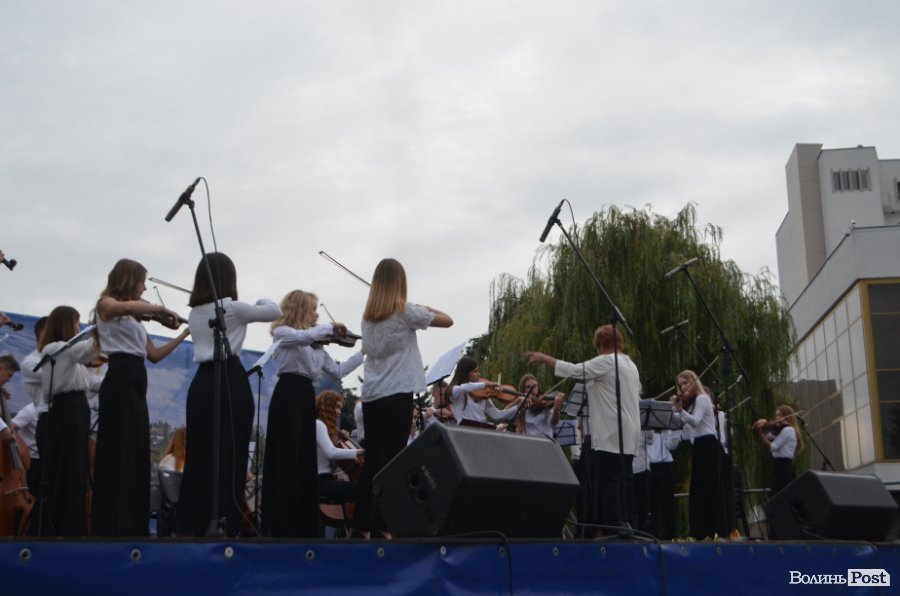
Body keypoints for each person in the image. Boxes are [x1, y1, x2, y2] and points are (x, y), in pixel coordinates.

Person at [173, 252, 281, 537]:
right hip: (229, 378)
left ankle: (195, 521)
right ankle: (226, 518)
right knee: (231, 452)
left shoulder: (195, 312)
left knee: (201, 453)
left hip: (202, 384)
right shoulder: (232, 308)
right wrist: (259, 300)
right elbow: (274, 311)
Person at [351, 258, 452, 538]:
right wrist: (423, 307)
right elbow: (448, 320)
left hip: (372, 396)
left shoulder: (367, 319)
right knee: (391, 463)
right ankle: (383, 527)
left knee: (373, 462)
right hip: (396, 394)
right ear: (400, 283)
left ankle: (361, 527)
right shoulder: (406, 312)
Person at [91, 258, 190, 536]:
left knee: (135, 451)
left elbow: (154, 355)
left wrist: (184, 333)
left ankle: (133, 523)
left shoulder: (136, 320)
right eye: (142, 281)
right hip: (120, 378)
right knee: (118, 451)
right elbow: (122, 307)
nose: (145, 287)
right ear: (129, 279)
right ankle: (112, 524)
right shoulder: (106, 305)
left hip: (137, 380)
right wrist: (159, 309)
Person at [261, 290, 363, 538]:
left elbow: (338, 371)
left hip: (305, 396)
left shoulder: (317, 347)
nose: (317, 314)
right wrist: (330, 327)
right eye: (313, 309)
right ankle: (280, 525)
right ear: (300, 309)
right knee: (286, 457)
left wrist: (363, 353)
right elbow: (302, 336)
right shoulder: (283, 332)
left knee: (303, 460)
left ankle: (302, 526)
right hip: (288, 394)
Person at [527, 324, 641, 535]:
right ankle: (629, 526)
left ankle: (614, 530)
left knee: (608, 484)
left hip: (611, 434)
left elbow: (575, 370)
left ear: (600, 345)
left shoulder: (607, 361)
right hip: (630, 433)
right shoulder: (630, 365)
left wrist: (544, 358)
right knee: (625, 483)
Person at [36, 306, 98, 536]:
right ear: (66, 324)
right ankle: (63, 525)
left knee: (78, 468)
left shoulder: (72, 359)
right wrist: (103, 324)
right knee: (68, 468)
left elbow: (91, 384)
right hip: (66, 412)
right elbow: (89, 349)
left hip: (77, 410)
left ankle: (73, 524)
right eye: (76, 323)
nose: (78, 328)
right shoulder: (56, 349)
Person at [670, 369, 727, 540]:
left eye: (685, 383)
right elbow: (686, 426)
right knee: (698, 489)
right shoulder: (692, 403)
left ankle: (708, 530)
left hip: (708, 444)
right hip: (699, 446)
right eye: (680, 385)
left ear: (693, 382)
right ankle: (698, 531)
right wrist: (674, 410)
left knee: (706, 488)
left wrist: (680, 410)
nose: (683, 388)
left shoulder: (702, 398)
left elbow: (695, 421)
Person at [315, 390, 363, 505]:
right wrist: (357, 451)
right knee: (363, 490)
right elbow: (331, 453)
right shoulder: (319, 424)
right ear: (328, 406)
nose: (339, 412)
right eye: (337, 407)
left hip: (326, 479)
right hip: (321, 482)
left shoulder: (322, 426)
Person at [446, 356, 520, 428]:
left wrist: (518, 407)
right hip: (464, 431)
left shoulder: (483, 394)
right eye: (475, 371)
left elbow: (497, 415)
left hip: (482, 430)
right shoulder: (455, 391)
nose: (479, 374)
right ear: (465, 372)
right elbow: (464, 387)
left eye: (478, 371)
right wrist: (485, 384)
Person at [753, 405, 804, 496]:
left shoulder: (788, 430)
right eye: (776, 415)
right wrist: (762, 425)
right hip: (779, 465)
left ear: (787, 416)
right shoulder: (782, 430)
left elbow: (773, 446)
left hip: (784, 466)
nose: (776, 418)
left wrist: (760, 432)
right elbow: (769, 436)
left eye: (779, 415)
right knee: (779, 495)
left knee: (779, 494)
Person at [647, 429, 681, 539]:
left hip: (665, 464)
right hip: (648, 466)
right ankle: (651, 535)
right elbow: (647, 441)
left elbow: (671, 446)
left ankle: (670, 535)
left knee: (668, 503)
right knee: (651, 504)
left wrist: (676, 432)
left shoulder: (667, 425)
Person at [514, 374, 565, 439]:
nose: (532, 389)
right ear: (523, 390)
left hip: (545, 441)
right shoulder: (522, 406)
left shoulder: (546, 403)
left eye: (535, 386)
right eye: (528, 387)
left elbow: (554, 423)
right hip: (529, 441)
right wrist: (517, 401)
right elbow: (503, 416)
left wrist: (557, 409)